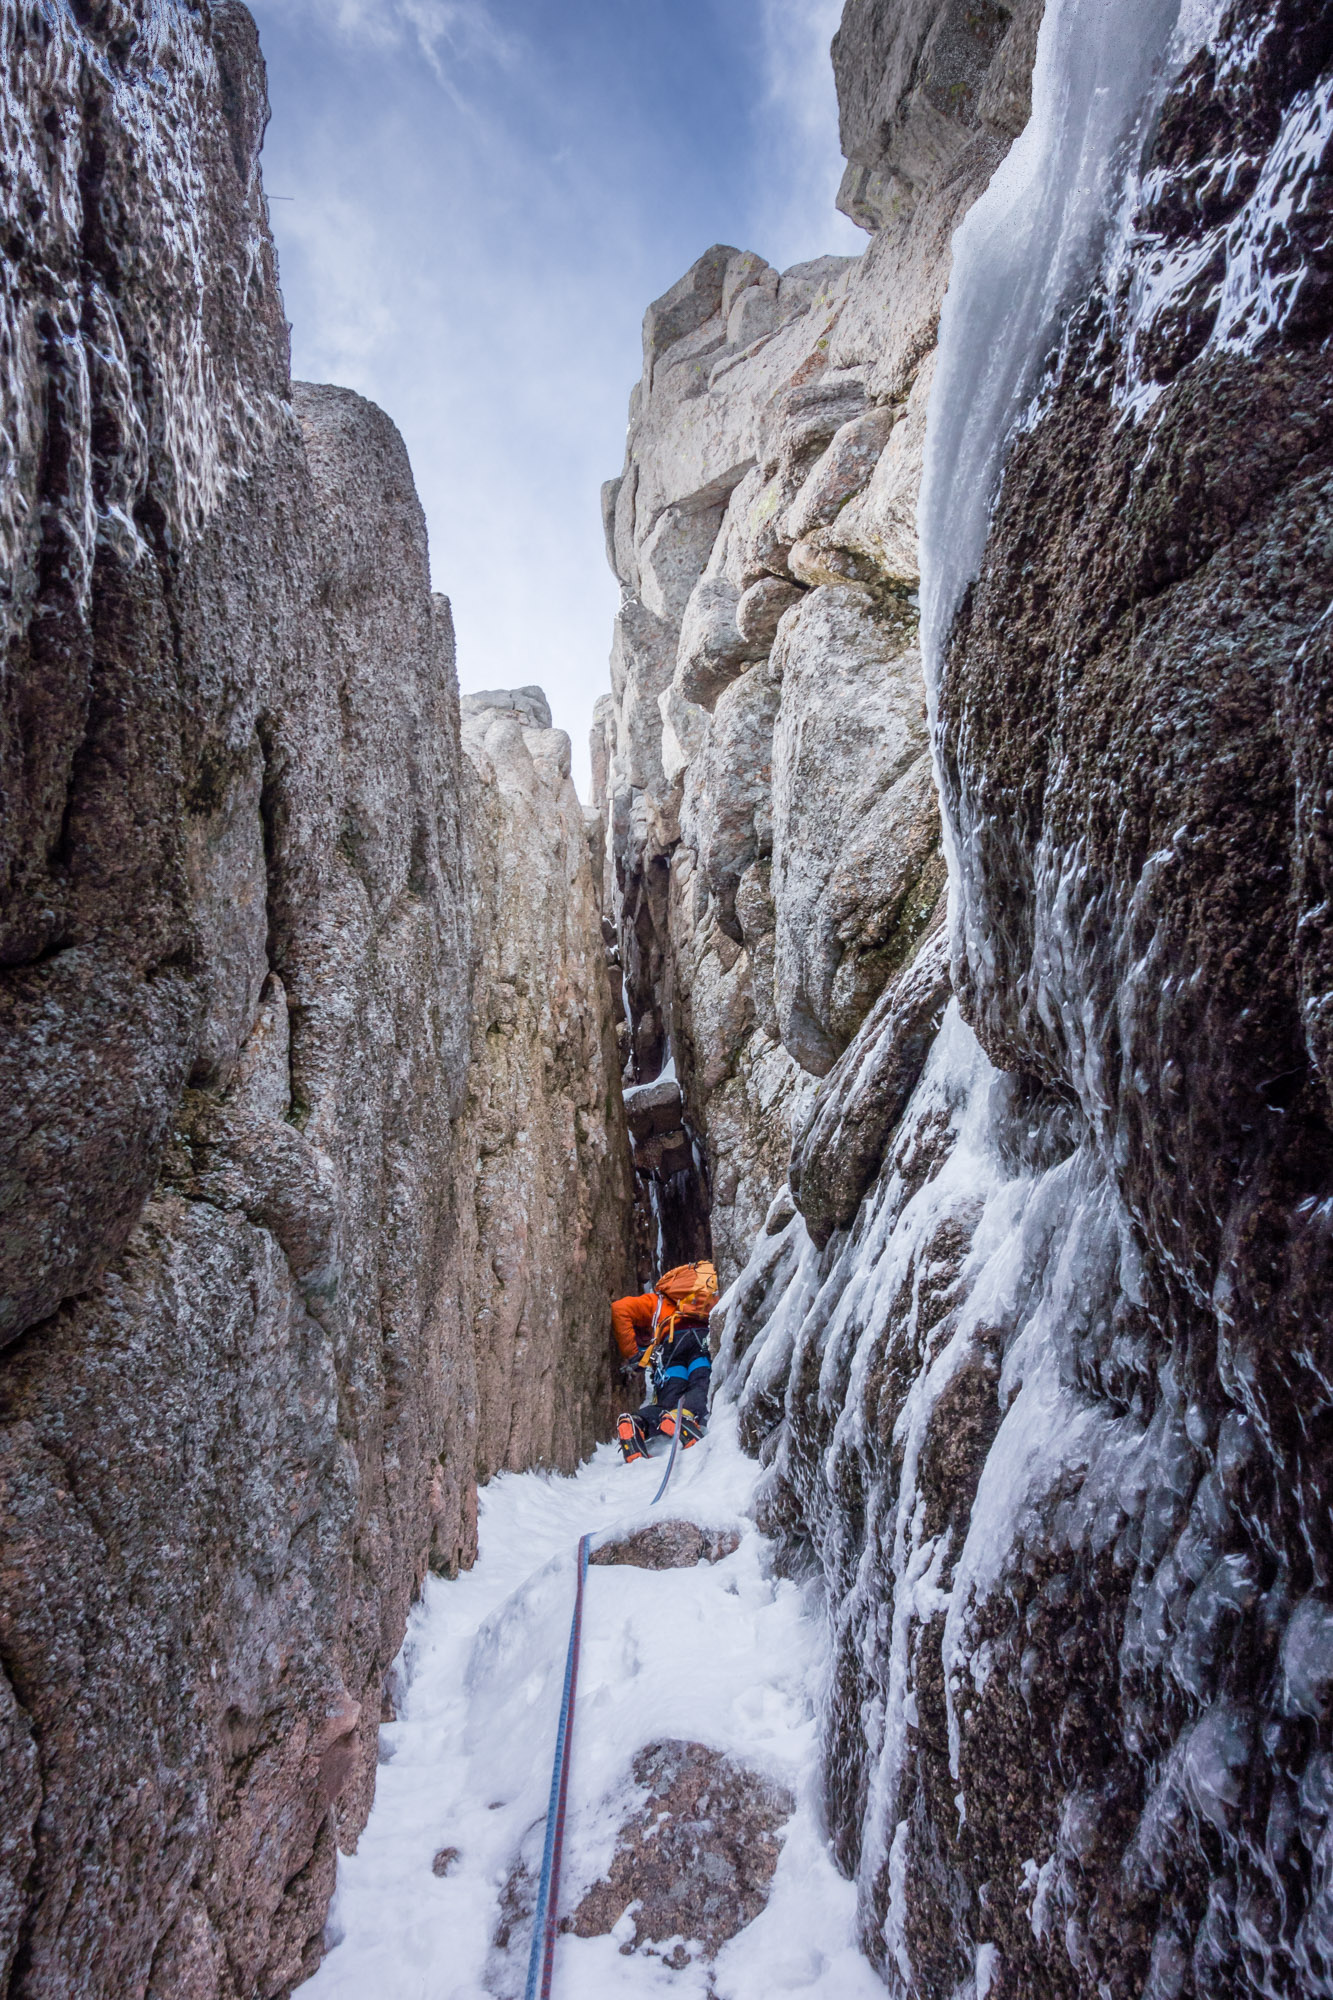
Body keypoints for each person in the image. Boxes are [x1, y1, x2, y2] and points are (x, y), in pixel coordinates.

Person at [611, 1260, 718, 1463]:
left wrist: (633, 1353)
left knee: (668, 1399)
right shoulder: (704, 1301)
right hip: (701, 1340)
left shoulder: (657, 1301)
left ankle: (637, 1423)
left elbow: (619, 1308)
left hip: (670, 1347)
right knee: (701, 1381)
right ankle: (682, 1416)